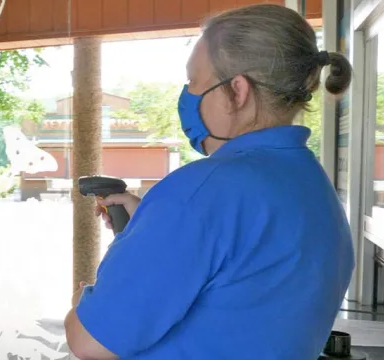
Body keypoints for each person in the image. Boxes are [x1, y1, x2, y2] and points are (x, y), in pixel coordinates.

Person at [63, 4, 355, 360]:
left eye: (194, 82)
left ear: (238, 91)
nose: (187, 97)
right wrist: (152, 227)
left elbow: (92, 342)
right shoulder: (311, 183)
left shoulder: (202, 191)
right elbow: (246, 283)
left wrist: (82, 304)